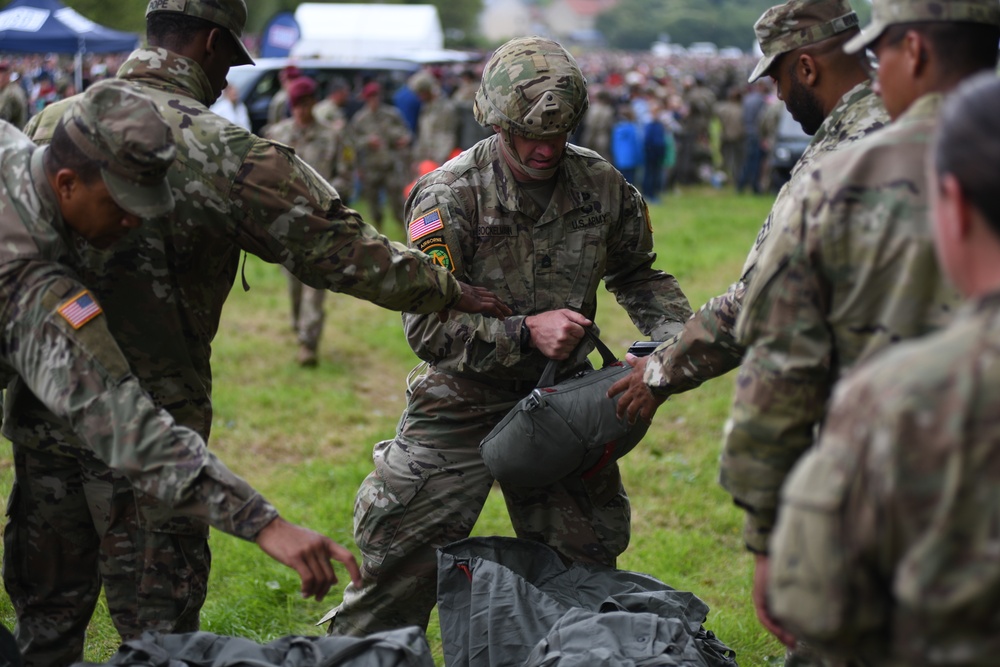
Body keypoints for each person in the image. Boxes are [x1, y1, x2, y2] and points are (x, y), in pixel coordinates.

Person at [15, 1, 511, 665]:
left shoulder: (52, 124)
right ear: (214, 43)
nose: (226, 83)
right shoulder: (228, 153)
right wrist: (448, 287)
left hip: (45, 420)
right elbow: (345, 253)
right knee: (161, 641)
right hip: (160, 434)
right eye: (228, 63)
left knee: (44, 622)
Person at [321, 35, 693, 638]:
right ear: (495, 121)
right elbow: (425, 324)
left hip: (562, 406)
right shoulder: (450, 194)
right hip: (458, 404)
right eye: (529, 135)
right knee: (395, 566)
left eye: (558, 134)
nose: (545, 149)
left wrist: (668, 347)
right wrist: (523, 332)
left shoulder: (599, 185)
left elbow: (639, 272)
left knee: (584, 574)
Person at [0, 77, 361, 664]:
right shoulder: (29, 282)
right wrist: (266, 524)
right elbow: (124, 418)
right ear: (67, 184)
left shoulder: (11, 149)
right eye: (120, 205)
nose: (133, 224)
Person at [718, 0, 1000, 664]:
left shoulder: (836, 180)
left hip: (897, 501)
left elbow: (782, 368)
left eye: (880, 57)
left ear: (916, 53)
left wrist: (766, 533)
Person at [612, 0, 888, 426]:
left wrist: (657, 371)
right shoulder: (926, 120)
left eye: (778, 77)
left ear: (808, 68)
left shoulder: (834, 163)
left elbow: (760, 302)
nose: (778, 94)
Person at [264, 76, 351, 367]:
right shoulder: (277, 135)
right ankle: (298, 324)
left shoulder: (332, 136)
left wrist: (326, 196)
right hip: (287, 224)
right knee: (294, 283)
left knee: (316, 284)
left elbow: (345, 174)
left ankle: (308, 342)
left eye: (305, 103)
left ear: (314, 102)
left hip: (321, 223)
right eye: (295, 105)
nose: (300, 110)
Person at [348, 81, 413, 232]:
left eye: (376, 97)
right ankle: (378, 230)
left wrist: (403, 139)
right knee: (374, 204)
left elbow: (405, 132)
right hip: (371, 167)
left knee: (398, 201)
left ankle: (405, 229)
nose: (374, 101)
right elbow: (352, 143)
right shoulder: (360, 119)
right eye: (370, 97)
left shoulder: (392, 114)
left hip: (390, 164)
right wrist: (367, 142)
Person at [0, 61, 28, 129]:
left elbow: (2, 119)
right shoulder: (13, 88)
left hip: (10, 137)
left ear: (6, 76)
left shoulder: (9, 94)